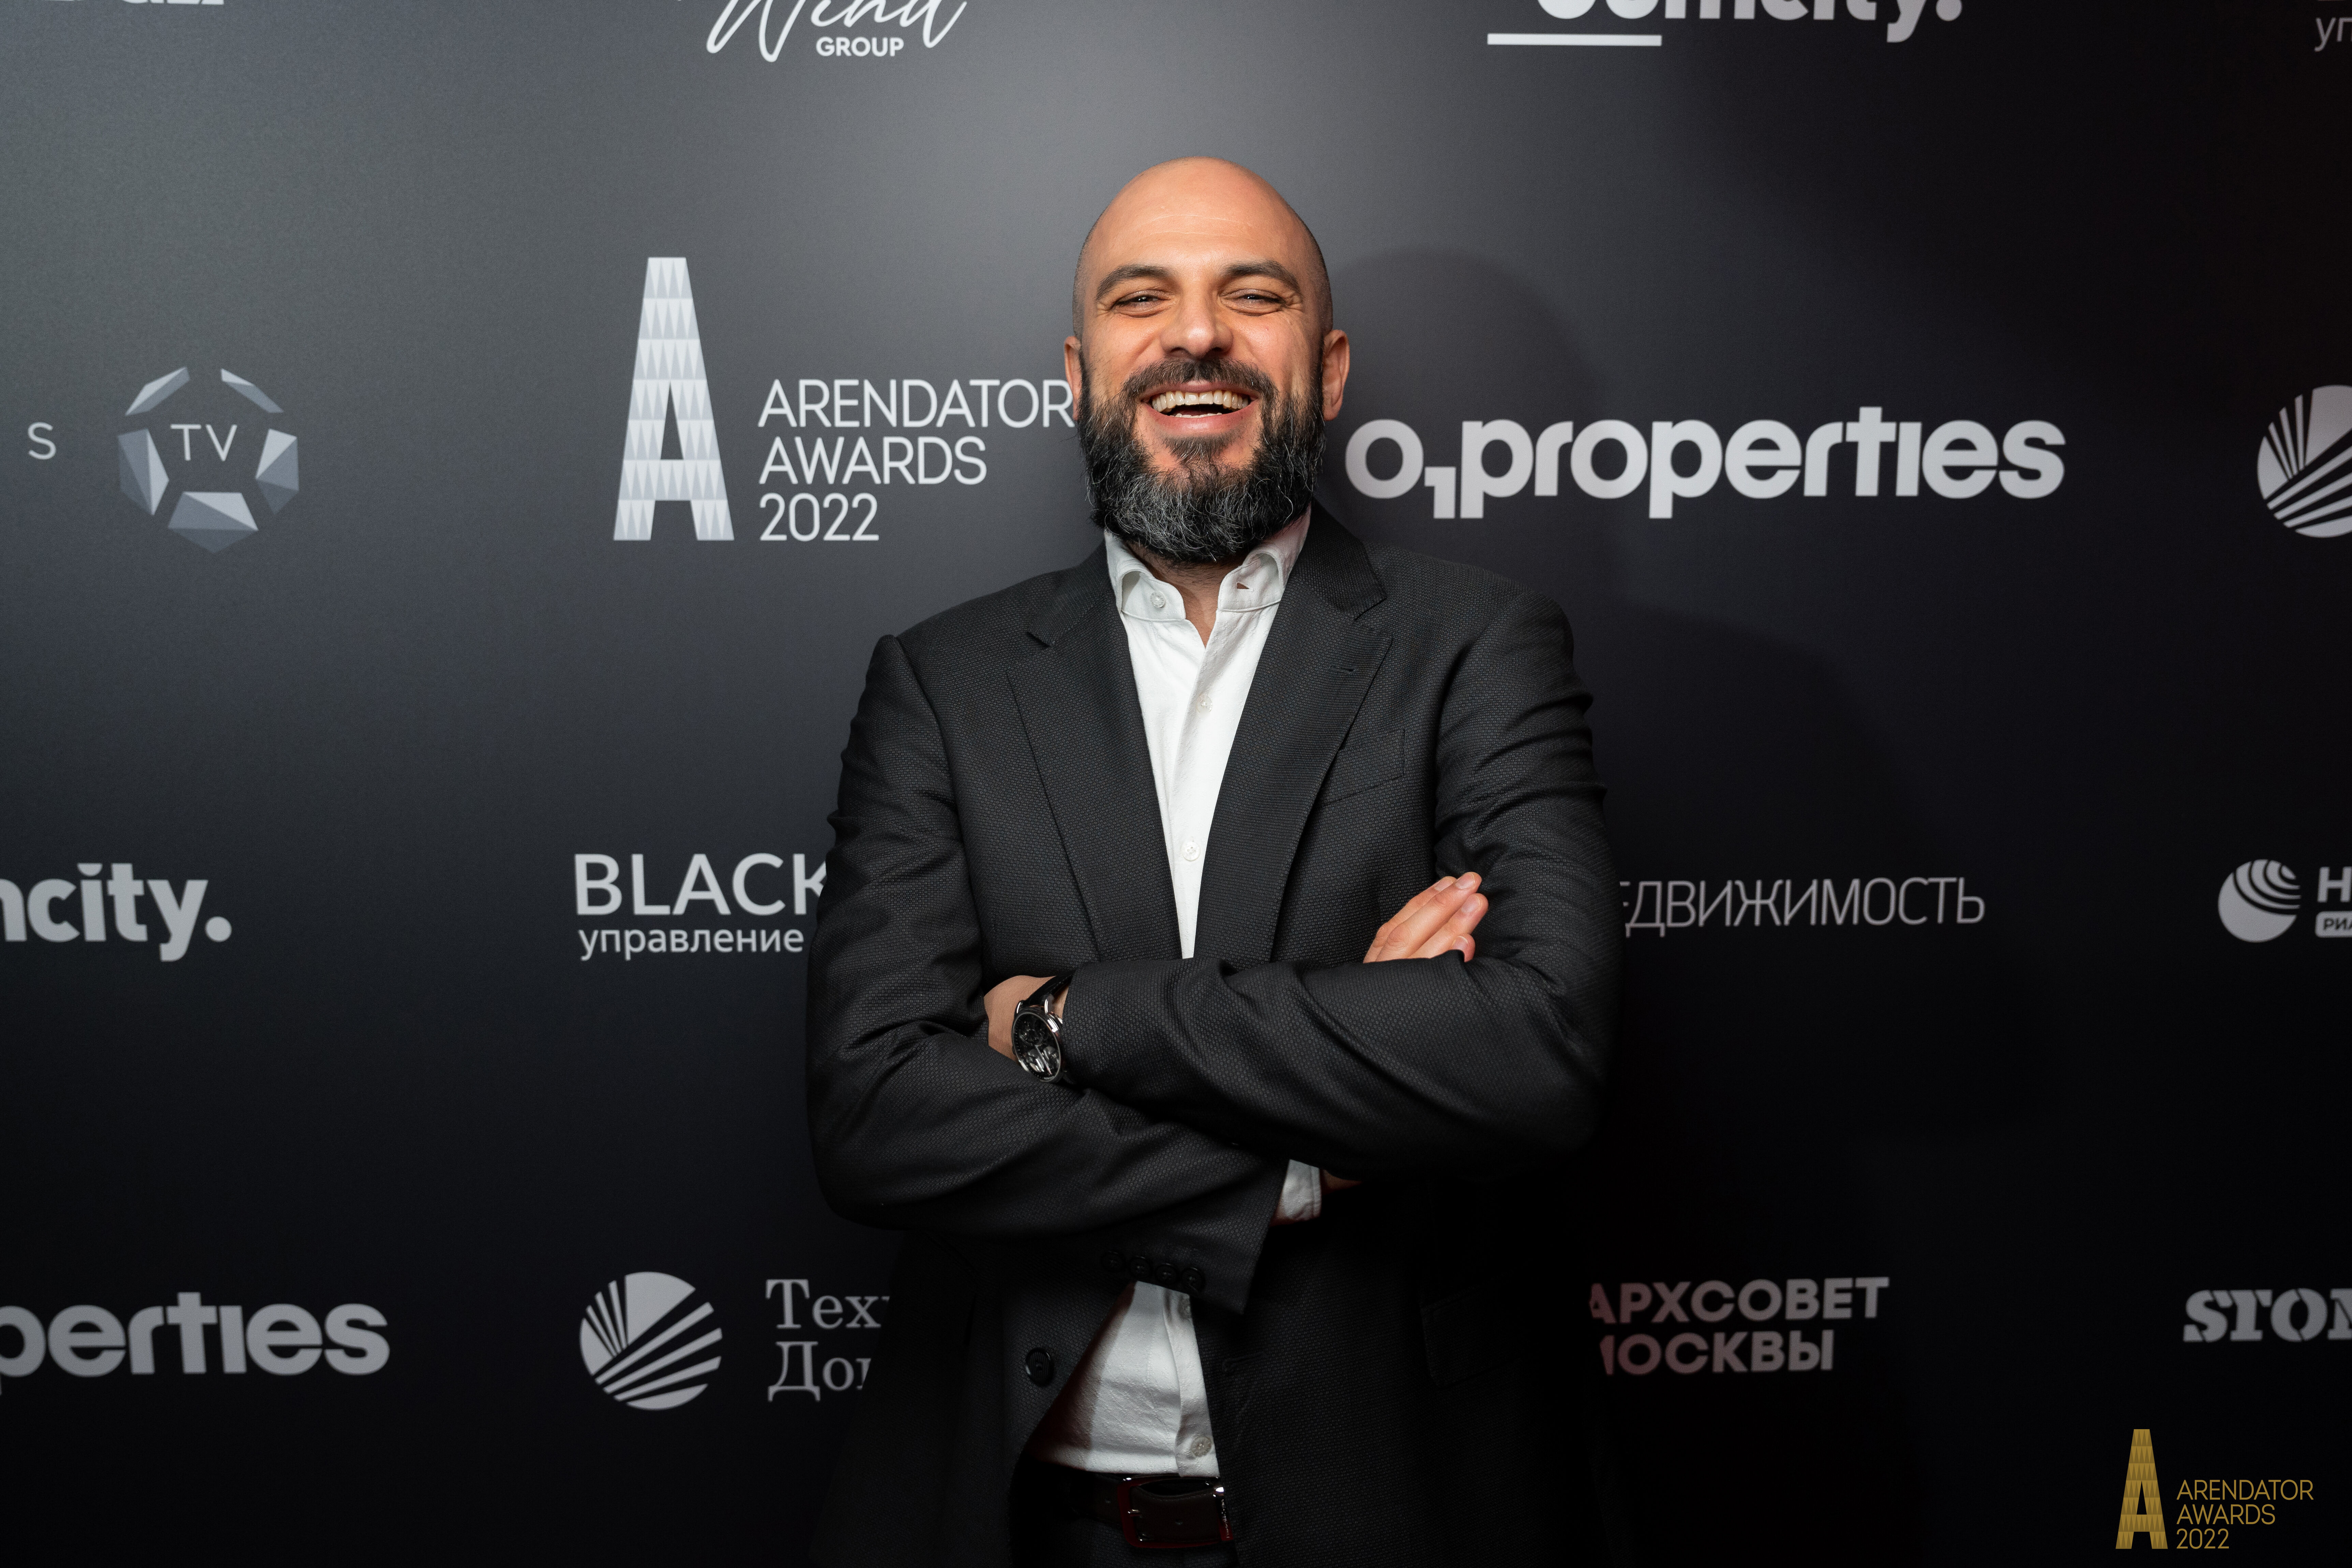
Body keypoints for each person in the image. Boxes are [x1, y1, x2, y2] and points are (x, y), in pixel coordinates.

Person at [806, 157, 1621, 1568]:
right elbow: (875, 1110)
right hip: (1035, 1525)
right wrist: (1300, 1164)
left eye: (1254, 296)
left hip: (1393, 1516)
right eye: (1143, 300)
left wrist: (1066, 1020)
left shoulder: (1478, 646)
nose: (1196, 334)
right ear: (1079, 374)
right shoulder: (943, 681)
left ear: (1330, 367)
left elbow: (1537, 1048)